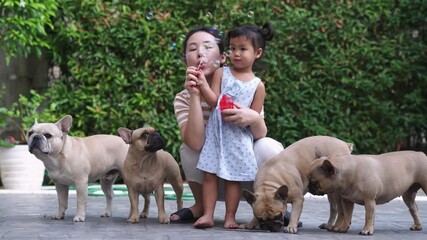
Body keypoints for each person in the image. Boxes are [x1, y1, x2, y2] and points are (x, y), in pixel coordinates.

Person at [171, 25, 291, 228]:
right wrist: (197, 92)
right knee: (189, 150)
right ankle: (204, 210)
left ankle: (267, 206)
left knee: (268, 146)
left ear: (221, 57)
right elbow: (215, 103)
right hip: (214, 146)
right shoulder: (212, 81)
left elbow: (260, 133)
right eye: (192, 49)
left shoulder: (256, 85)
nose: (200, 53)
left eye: (207, 47)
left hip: (240, 150)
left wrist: (252, 117)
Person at [191, 23, 274, 229]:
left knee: (232, 179)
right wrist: (202, 84)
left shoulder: (258, 85)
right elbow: (214, 101)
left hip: (238, 138)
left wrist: (247, 116)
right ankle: (208, 215)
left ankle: (230, 217)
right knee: (209, 175)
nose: (236, 53)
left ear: (258, 53)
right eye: (233, 48)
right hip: (216, 134)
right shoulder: (221, 73)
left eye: (243, 49)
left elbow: (255, 116)